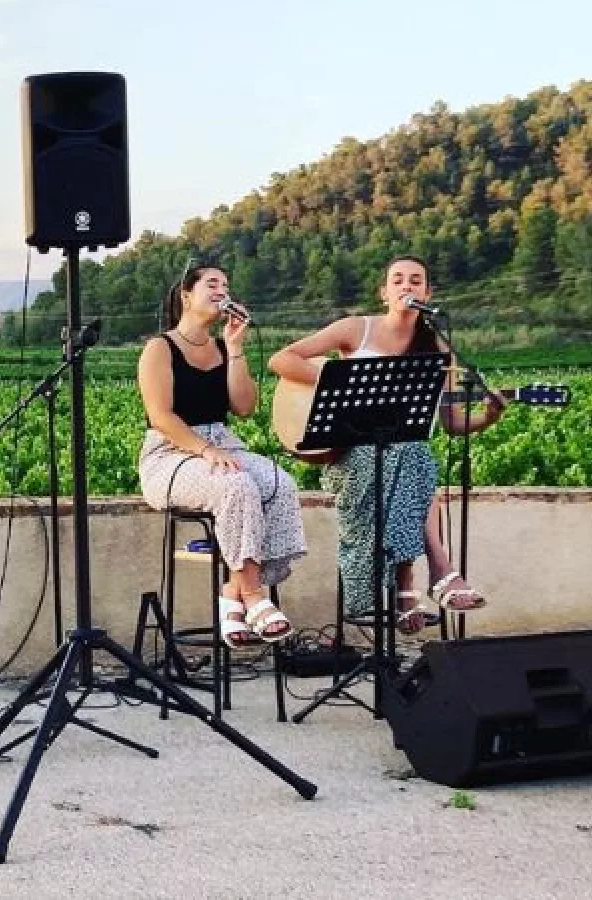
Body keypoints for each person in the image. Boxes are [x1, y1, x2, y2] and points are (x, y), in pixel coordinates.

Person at [267, 255, 503, 634]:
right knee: (414, 458)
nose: (406, 286)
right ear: (384, 292)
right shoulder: (355, 329)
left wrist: (489, 416)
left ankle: (412, 583)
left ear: (428, 293)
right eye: (398, 280)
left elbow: (451, 423)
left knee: (411, 451)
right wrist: (343, 383)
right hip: (349, 457)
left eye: (415, 280)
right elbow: (282, 359)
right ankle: (434, 573)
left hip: (404, 458)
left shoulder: (437, 346)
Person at [137, 263, 307, 648]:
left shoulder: (221, 347)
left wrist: (235, 349)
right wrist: (205, 450)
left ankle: (232, 591)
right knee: (236, 485)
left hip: (222, 445)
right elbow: (161, 416)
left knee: (279, 484)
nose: (221, 291)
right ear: (186, 296)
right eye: (212, 284)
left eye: (226, 286)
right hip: (170, 453)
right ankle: (253, 596)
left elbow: (244, 407)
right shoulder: (159, 348)